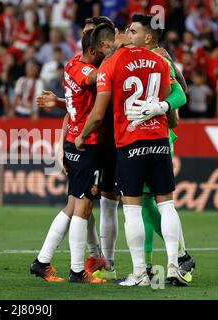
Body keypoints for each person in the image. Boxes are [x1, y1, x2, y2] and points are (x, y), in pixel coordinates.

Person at [76, 23, 190, 286]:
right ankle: (174, 266)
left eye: (128, 30)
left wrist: (82, 136)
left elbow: (98, 112)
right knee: (167, 205)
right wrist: (161, 109)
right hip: (160, 140)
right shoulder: (159, 60)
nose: (124, 33)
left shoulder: (111, 64)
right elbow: (177, 96)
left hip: (129, 142)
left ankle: (140, 272)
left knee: (132, 210)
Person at [36, 16, 119, 281]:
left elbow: (77, 104)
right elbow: (98, 77)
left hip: (74, 142)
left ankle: (42, 261)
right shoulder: (86, 71)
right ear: (93, 48)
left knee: (72, 207)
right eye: (103, 46)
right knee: (83, 209)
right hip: (87, 144)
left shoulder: (71, 64)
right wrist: (119, 53)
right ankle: (76, 270)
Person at [124, 14, 195, 278]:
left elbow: (181, 92)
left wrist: (161, 108)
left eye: (132, 31)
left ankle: (178, 257)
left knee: (155, 202)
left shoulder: (158, 58)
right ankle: (173, 259)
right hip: (150, 135)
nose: (127, 35)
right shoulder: (149, 56)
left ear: (148, 36)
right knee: (149, 203)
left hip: (156, 136)